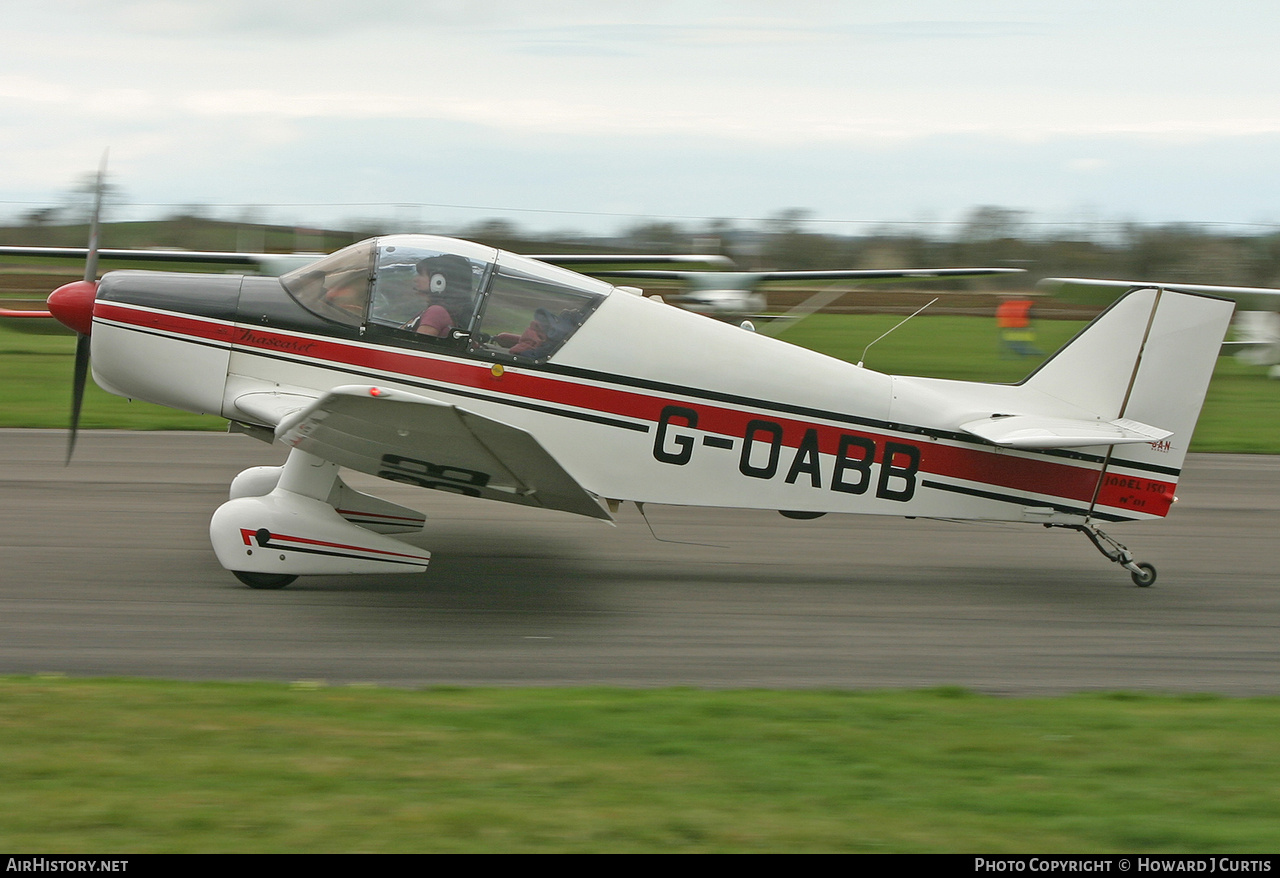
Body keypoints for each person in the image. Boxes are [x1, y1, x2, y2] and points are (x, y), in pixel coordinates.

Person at [405, 255, 474, 338]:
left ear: (438, 281)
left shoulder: (436, 312)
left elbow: (415, 345)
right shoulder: (440, 311)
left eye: (421, 274)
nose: (415, 279)